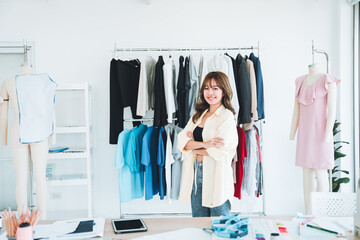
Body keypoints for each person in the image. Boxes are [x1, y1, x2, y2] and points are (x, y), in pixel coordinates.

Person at [177, 71, 238, 217]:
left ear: (224, 92)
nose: (210, 92)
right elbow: (181, 141)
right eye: (206, 88)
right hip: (196, 172)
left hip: (217, 174)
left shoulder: (226, 116)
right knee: (198, 222)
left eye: (215, 88)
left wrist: (192, 145)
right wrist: (206, 144)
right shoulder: (198, 114)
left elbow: (219, 151)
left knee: (220, 223)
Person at [0, 65, 56, 220]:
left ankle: (23, 219)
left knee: (21, 177)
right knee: (40, 177)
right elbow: (50, 110)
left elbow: (3, 113)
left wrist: (3, 138)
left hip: (17, 131)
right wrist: (53, 135)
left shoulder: (7, 82)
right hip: (40, 132)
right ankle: (42, 217)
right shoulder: (45, 81)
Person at [290, 64, 340, 214]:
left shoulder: (328, 80)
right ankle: (308, 212)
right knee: (306, 172)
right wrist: (292, 132)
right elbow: (296, 111)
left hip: (321, 134)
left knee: (321, 172)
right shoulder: (300, 81)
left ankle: (322, 213)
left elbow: (332, 111)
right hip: (305, 133)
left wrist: (327, 135)